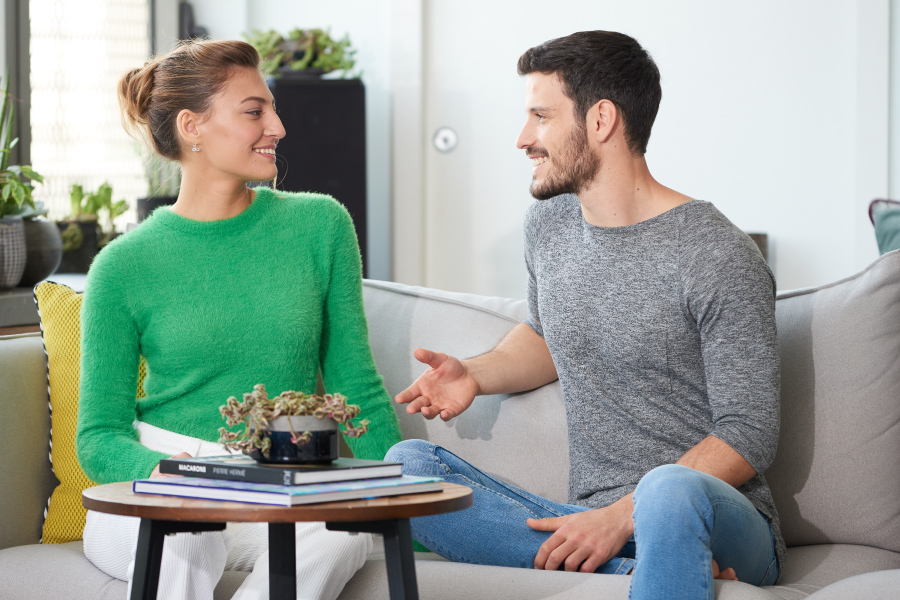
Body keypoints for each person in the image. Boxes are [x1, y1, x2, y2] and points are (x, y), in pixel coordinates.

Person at [385, 30, 783, 600]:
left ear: (600, 121)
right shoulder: (548, 227)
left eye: (541, 116)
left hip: (717, 518)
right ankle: (641, 574)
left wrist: (623, 515)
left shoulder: (716, 253)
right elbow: (549, 336)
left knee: (667, 491)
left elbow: (750, 433)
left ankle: (663, 555)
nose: (523, 138)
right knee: (407, 470)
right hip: (586, 520)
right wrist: (476, 373)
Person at [76, 39, 402, 600]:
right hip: (154, 484)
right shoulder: (122, 265)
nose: (277, 126)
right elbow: (98, 435)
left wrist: (408, 512)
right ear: (191, 127)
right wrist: (170, 475)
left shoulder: (321, 226)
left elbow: (358, 390)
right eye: (255, 111)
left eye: (271, 108)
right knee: (187, 534)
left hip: (277, 486)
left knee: (341, 537)